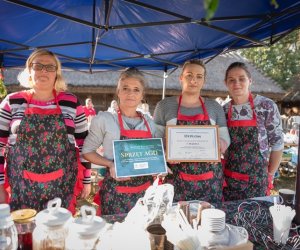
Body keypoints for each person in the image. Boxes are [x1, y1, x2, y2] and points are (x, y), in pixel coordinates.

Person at [0, 49, 91, 212]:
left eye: (50, 67)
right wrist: (0, 186)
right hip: (22, 187)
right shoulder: (12, 101)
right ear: (29, 70)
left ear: (57, 73)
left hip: (62, 186)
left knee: (57, 232)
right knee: (24, 233)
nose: (44, 70)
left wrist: (87, 179)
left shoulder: (71, 102)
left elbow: (84, 144)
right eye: (38, 66)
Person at [153, 59, 230, 204]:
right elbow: (154, 141)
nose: (194, 80)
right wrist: (165, 153)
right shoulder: (164, 106)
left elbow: (225, 138)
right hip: (175, 180)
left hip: (209, 181)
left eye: (199, 76)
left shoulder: (214, 107)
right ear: (181, 78)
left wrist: (219, 145)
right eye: (189, 75)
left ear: (204, 81)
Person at [82, 68, 157, 215]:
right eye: (125, 88)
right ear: (118, 91)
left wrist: (160, 165)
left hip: (146, 193)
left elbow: (155, 154)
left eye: (136, 89)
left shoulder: (149, 123)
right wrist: (110, 164)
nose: (131, 93)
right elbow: (87, 152)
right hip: (115, 193)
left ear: (142, 95)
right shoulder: (105, 119)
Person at [223, 62, 284, 201]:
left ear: (250, 81)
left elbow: (278, 143)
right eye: (231, 80)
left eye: (241, 78)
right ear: (226, 83)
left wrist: (270, 174)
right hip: (229, 179)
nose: (236, 83)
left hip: (257, 181)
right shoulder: (224, 110)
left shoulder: (265, 106)